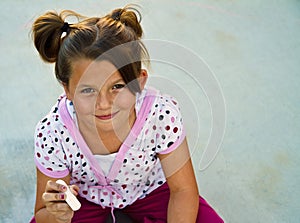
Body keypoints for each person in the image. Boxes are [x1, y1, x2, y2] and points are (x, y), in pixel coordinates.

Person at [30, 5, 224, 223]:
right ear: (67, 90)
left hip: (151, 191)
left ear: (139, 82)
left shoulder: (161, 115)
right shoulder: (52, 133)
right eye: (88, 90)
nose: (103, 104)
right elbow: (42, 213)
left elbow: (182, 190)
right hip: (83, 199)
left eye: (117, 86)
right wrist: (57, 215)